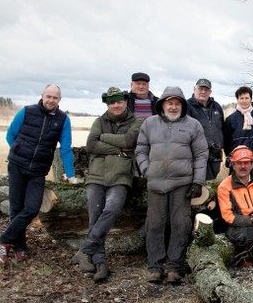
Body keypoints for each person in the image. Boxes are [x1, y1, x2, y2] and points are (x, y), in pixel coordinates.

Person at [0, 84, 78, 264]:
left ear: (59, 100)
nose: (51, 100)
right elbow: (10, 135)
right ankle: (19, 248)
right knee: (16, 208)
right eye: (48, 96)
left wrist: (71, 175)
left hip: (38, 171)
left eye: (55, 97)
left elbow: (66, 149)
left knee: (31, 208)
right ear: (42, 96)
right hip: (17, 166)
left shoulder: (63, 120)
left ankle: (2, 241)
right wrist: (19, 152)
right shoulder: (27, 112)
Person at [136, 86, 208, 284]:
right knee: (155, 224)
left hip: (182, 183)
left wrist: (197, 181)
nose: (173, 107)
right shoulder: (150, 124)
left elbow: (201, 154)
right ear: (163, 104)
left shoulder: (193, 125)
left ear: (182, 106)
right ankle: (155, 267)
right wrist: (146, 169)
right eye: (170, 103)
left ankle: (174, 267)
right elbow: (141, 149)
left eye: (177, 103)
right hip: (156, 182)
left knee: (181, 224)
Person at [73, 87, 144, 282]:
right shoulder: (99, 121)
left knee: (112, 210)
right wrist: (118, 149)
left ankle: (85, 250)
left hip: (121, 177)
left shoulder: (137, 121)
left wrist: (103, 137)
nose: (116, 105)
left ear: (125, 101)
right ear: (107, 104)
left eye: (119, 101)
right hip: (96, 176)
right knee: (95, 217)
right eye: (112, 102)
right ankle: (100, 262)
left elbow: (130, 140)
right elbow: (91, 146)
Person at [186, 78, 225, 180]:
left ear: (210, 92)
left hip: (215, 154)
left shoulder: (216, 107)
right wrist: (208, 144)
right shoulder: (187, 106)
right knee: (199, 182)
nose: (203, 92)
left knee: (212, 182)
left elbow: (222, 128)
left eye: (206, 89)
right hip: (196, 154)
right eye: (200, 89)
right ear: (194, 89)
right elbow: (187, 131)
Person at [224, 86, 253, 169]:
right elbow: (226, 142)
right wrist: (230, 157)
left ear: (251, 99)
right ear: (237, 99)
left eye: (247, 98)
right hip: (238, 161)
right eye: (241, 98)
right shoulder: (230, 119)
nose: (244, 101)